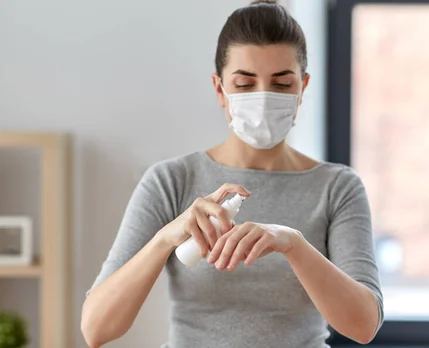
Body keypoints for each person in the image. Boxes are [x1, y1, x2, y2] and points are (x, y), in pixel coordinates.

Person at [81, 1, 383, 347]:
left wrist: (295, 246)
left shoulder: (337, 188)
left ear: (303, 87)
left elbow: (363, 325)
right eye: (244, 84)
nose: (264, 98)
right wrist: (165, 239)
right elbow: (96, 329)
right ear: (219, 88)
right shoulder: (171, 181)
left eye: (282, 84)